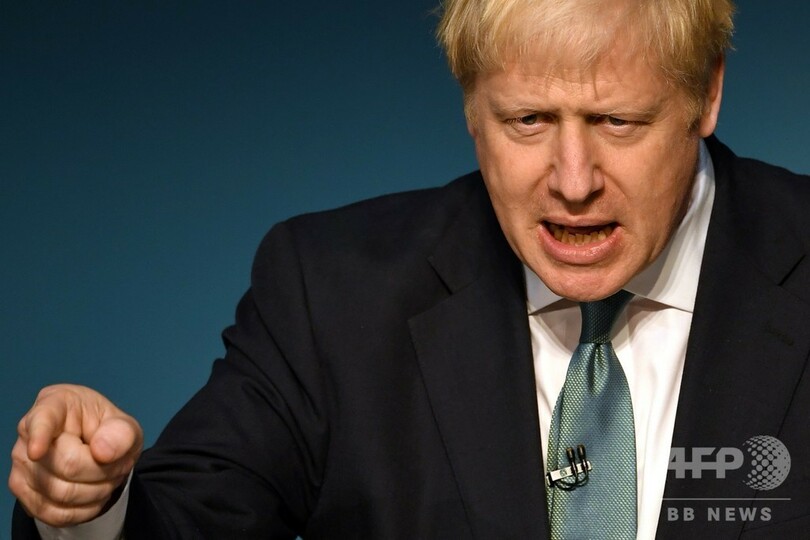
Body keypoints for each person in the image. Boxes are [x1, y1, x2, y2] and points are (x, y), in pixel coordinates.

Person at [9, 0, 810, 538]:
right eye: (527, 120)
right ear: (470, 106)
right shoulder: (331, 294)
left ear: (707, 94)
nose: (573, 182)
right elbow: (188, 521)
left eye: (618, 121)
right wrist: (91, 507)